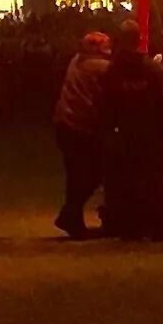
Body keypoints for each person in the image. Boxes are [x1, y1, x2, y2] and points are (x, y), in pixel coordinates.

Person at [98, 42, 163, 240]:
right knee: (152, 183)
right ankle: (156, 228)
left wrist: (109, 130)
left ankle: (129, 229)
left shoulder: (113, 72)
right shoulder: (151, 71)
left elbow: (105, 104)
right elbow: (162, 104)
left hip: (123, 133)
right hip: (149, 133)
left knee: (126, 184)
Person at [52, 30, 113, 236]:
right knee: (95, 172)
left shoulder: (76, 61)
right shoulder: (101, 67)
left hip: (64, 123)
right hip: (80, 126)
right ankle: (70, 213)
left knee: (75, 175)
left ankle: (73, 219)